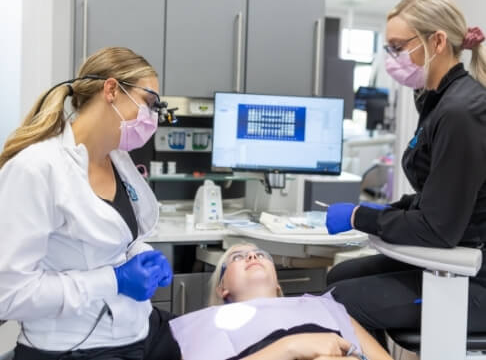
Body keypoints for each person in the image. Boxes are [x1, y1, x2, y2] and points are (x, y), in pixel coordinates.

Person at [324, 0, 486, 347]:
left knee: (341, 299)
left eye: (398, 47)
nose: (392, 59)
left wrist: (359, 217)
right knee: (339, 276)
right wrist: (393, 210)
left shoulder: (461, 111)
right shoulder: (440, 100)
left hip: (475, 275)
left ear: (438, 41)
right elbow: (439, 195)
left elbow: (438, 229)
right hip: (456, 253)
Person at [0, 47, 181, 359]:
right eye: (149, 103)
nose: (152, 118)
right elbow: (10, 294)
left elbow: (116, 241)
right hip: (77, 347)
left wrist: (143, 255)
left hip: (140, 329)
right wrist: (114, 281)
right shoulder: (37, 169)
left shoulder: (119, 161)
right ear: (111, 89)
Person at [169, 243, 392, 360]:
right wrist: (289, 347)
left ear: (278, 284)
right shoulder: (206, 325)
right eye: (237, 257)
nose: (252, 257)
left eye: (261, 254)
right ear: (222, 288)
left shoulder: (324, 306)